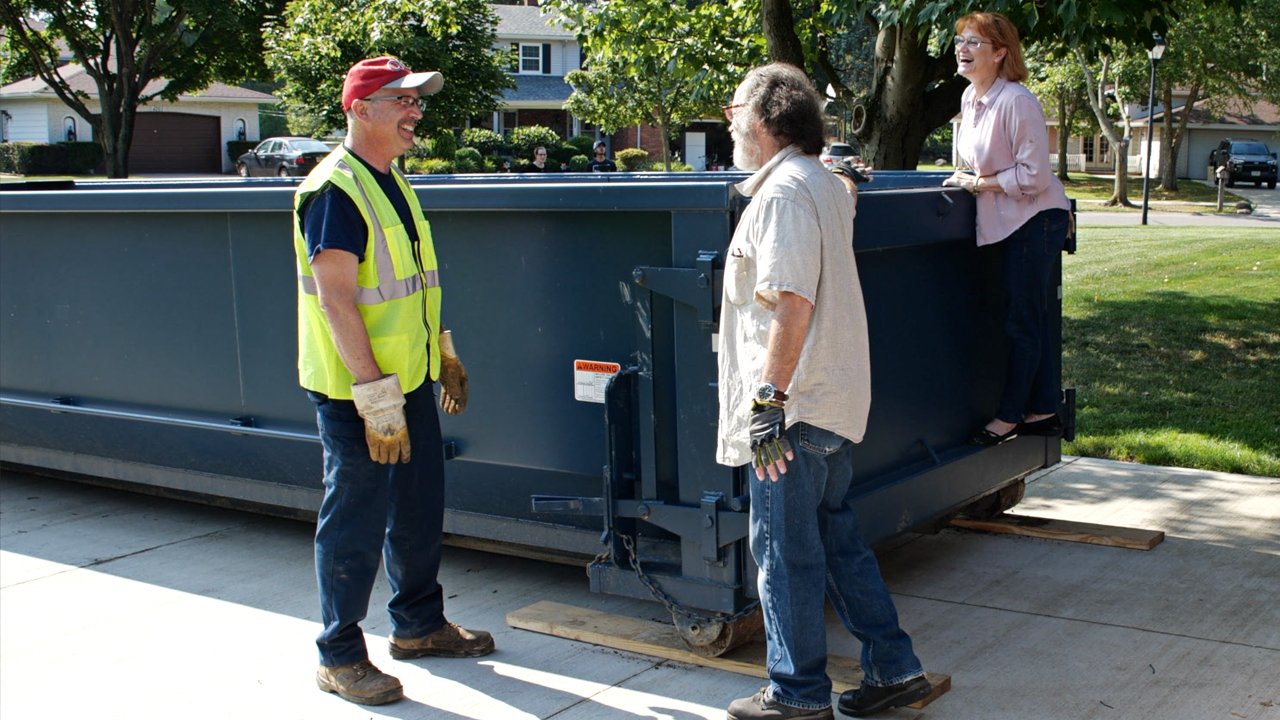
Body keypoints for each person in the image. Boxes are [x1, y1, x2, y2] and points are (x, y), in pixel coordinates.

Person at [717, 63, 930, 720]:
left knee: (783, 553)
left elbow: (793, 302)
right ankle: (894, 669)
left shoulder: (781, 196)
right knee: (836, 539)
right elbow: (838, 196)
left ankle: (796, 693)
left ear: (759, 120)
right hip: (830, 404)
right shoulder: (821, 185)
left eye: (732, 111)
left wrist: (766, 402)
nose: (727, 121)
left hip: (792, 412)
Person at [292, 55, 494, 707]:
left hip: (404, 383)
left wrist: (445, 355)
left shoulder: (391, 183)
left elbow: (415, 288)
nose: (415, 111)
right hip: (358, 393)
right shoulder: (335, 190)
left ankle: (418, 626)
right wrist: (375, 396)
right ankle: (340, 654)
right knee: (353, 518)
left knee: (416, 508)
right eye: (400, 100)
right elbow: (338, 301)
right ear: (359, 109)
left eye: (416, 100)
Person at [943, 11, 1072, 446]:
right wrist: (967, 177)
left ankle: (1010, 417)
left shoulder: (1017, 100)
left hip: (1036, 220)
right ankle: (1044, 409)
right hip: (1006, 222)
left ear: (1000, 53)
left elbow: (1035, 175)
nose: (963, 48)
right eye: (960, 40)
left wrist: (979, 184)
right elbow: (974, 161)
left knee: (1022, 322)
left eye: (975, 42)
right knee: (1024, 317)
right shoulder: (969, 98)